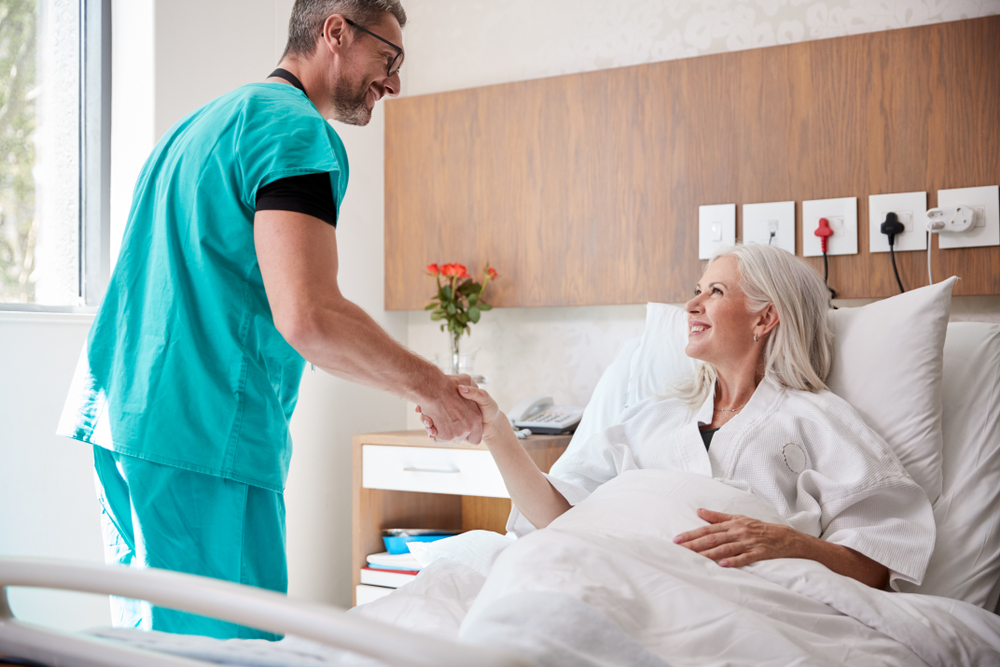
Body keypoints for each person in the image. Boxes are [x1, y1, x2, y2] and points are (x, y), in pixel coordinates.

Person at [56, 0, 482, 639]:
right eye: (388, 59)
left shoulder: (197, 128)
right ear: (335, 31)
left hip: (122, 423)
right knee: (225, 652)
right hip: (201, 438)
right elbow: (311, 316)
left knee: (153, 646)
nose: (393, 82)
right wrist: (432, 388)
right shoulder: (295, 133)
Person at [422, 243, 935, 591]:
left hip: (740, 600)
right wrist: (498, 433)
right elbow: (559, 519)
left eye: (715, 291)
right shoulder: (652, 418)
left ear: (765, 317)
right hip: (617, 578)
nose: (691, 305)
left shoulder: (818, 421)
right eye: (697, 289)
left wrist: (788, 542)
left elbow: (877, 565)